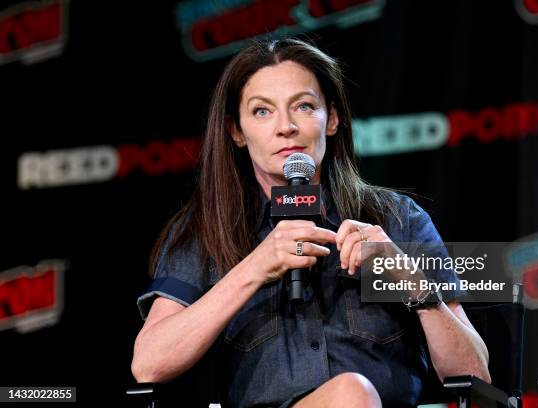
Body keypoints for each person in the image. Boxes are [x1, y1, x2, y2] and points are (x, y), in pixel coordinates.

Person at [131, 38, 490, 408]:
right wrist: (255, 266)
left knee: (354, 394)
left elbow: (475, 377)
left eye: (303, 106)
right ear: (237, 131)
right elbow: (149, 363)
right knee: (353, 394)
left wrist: (409, 279)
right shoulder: (208, 230)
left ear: (331, 118)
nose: (285, 127)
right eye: (262, 112)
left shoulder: (397, 219)